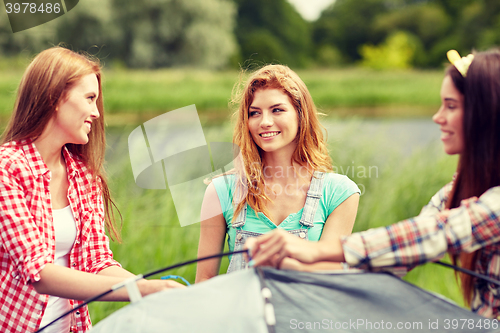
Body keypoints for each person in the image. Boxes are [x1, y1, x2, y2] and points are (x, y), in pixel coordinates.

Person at [246, 49, 500, 318]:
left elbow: (437, 233)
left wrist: (316, 250)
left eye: (451, 106)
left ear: (485, 112)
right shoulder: (453, 194)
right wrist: (299, 267)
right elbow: (404, 254)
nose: (438, 117)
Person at [0, 46, 184, 333]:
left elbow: (96, 261)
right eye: (89, 98)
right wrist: (142, 291)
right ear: (56, 98)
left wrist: (148, 286)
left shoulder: (83, 176)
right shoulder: (7, 169)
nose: (97, 113)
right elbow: (39, 273)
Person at [195, 64, 360, 283]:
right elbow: (204, 281)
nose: (264, 122)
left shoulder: (340, 193)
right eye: (255, 113)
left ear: (301, 115)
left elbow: (329, 278)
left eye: (277, 110)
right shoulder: (221, 191)